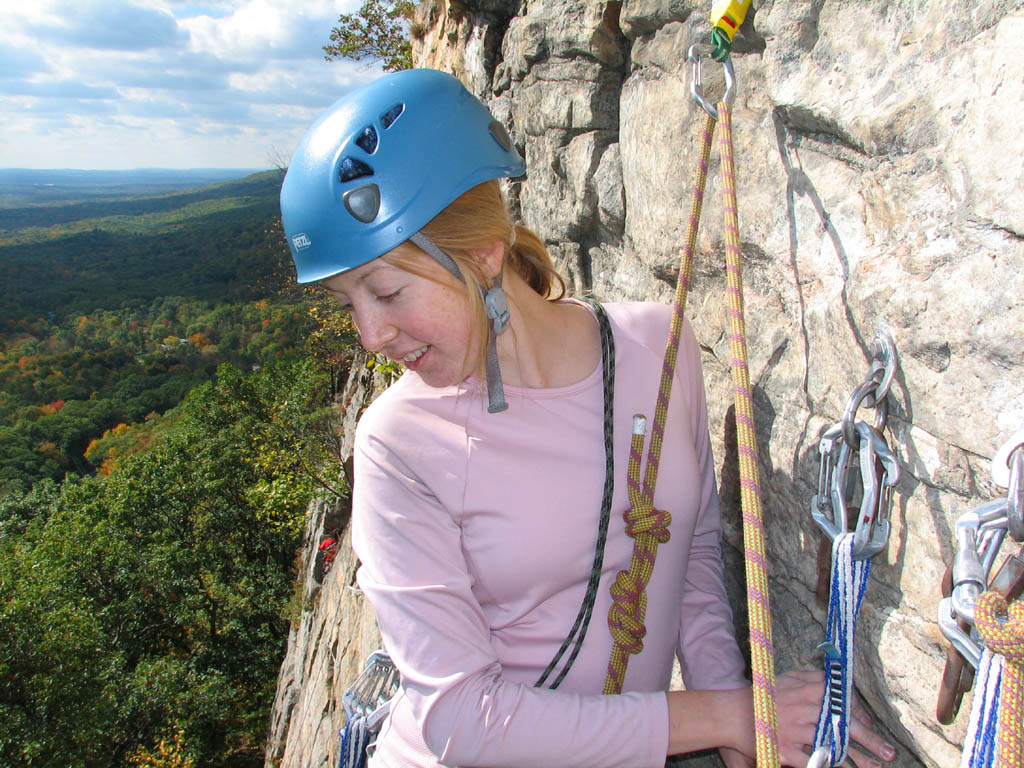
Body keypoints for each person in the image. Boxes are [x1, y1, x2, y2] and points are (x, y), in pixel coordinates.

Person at [280, 68, 895, 768]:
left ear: (483, 255)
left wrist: (738, 734)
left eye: (386, 292)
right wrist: (722, 715)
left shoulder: (659, 346)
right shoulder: (400, 443)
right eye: (347, 305)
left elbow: (688, 555)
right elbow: (459, 721)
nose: (370, 336)